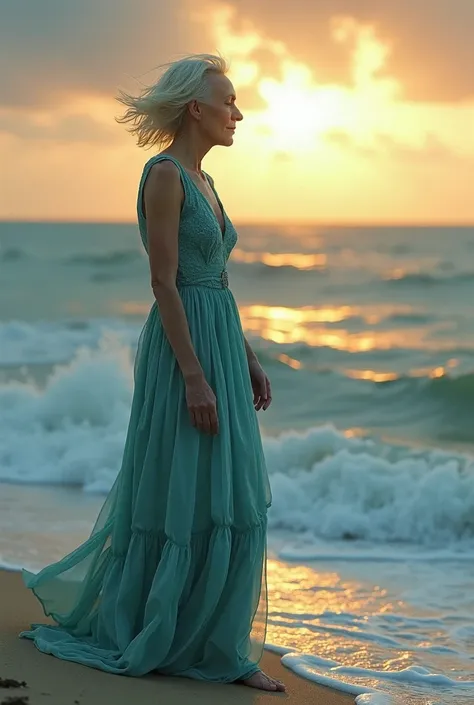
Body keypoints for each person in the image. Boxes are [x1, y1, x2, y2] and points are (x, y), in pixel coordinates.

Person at [19, 53, 285, 693]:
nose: (238, 114)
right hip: (183, 350)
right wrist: (194, 376)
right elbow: (164, 282)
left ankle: (214, 640)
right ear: (197, 108)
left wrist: (245, 356)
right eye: (229, 102)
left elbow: (215, 279)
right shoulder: (165, 176)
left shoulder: (206, 180)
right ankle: (171, 634)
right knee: (184, 487)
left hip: (218, 339)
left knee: (227, 490)